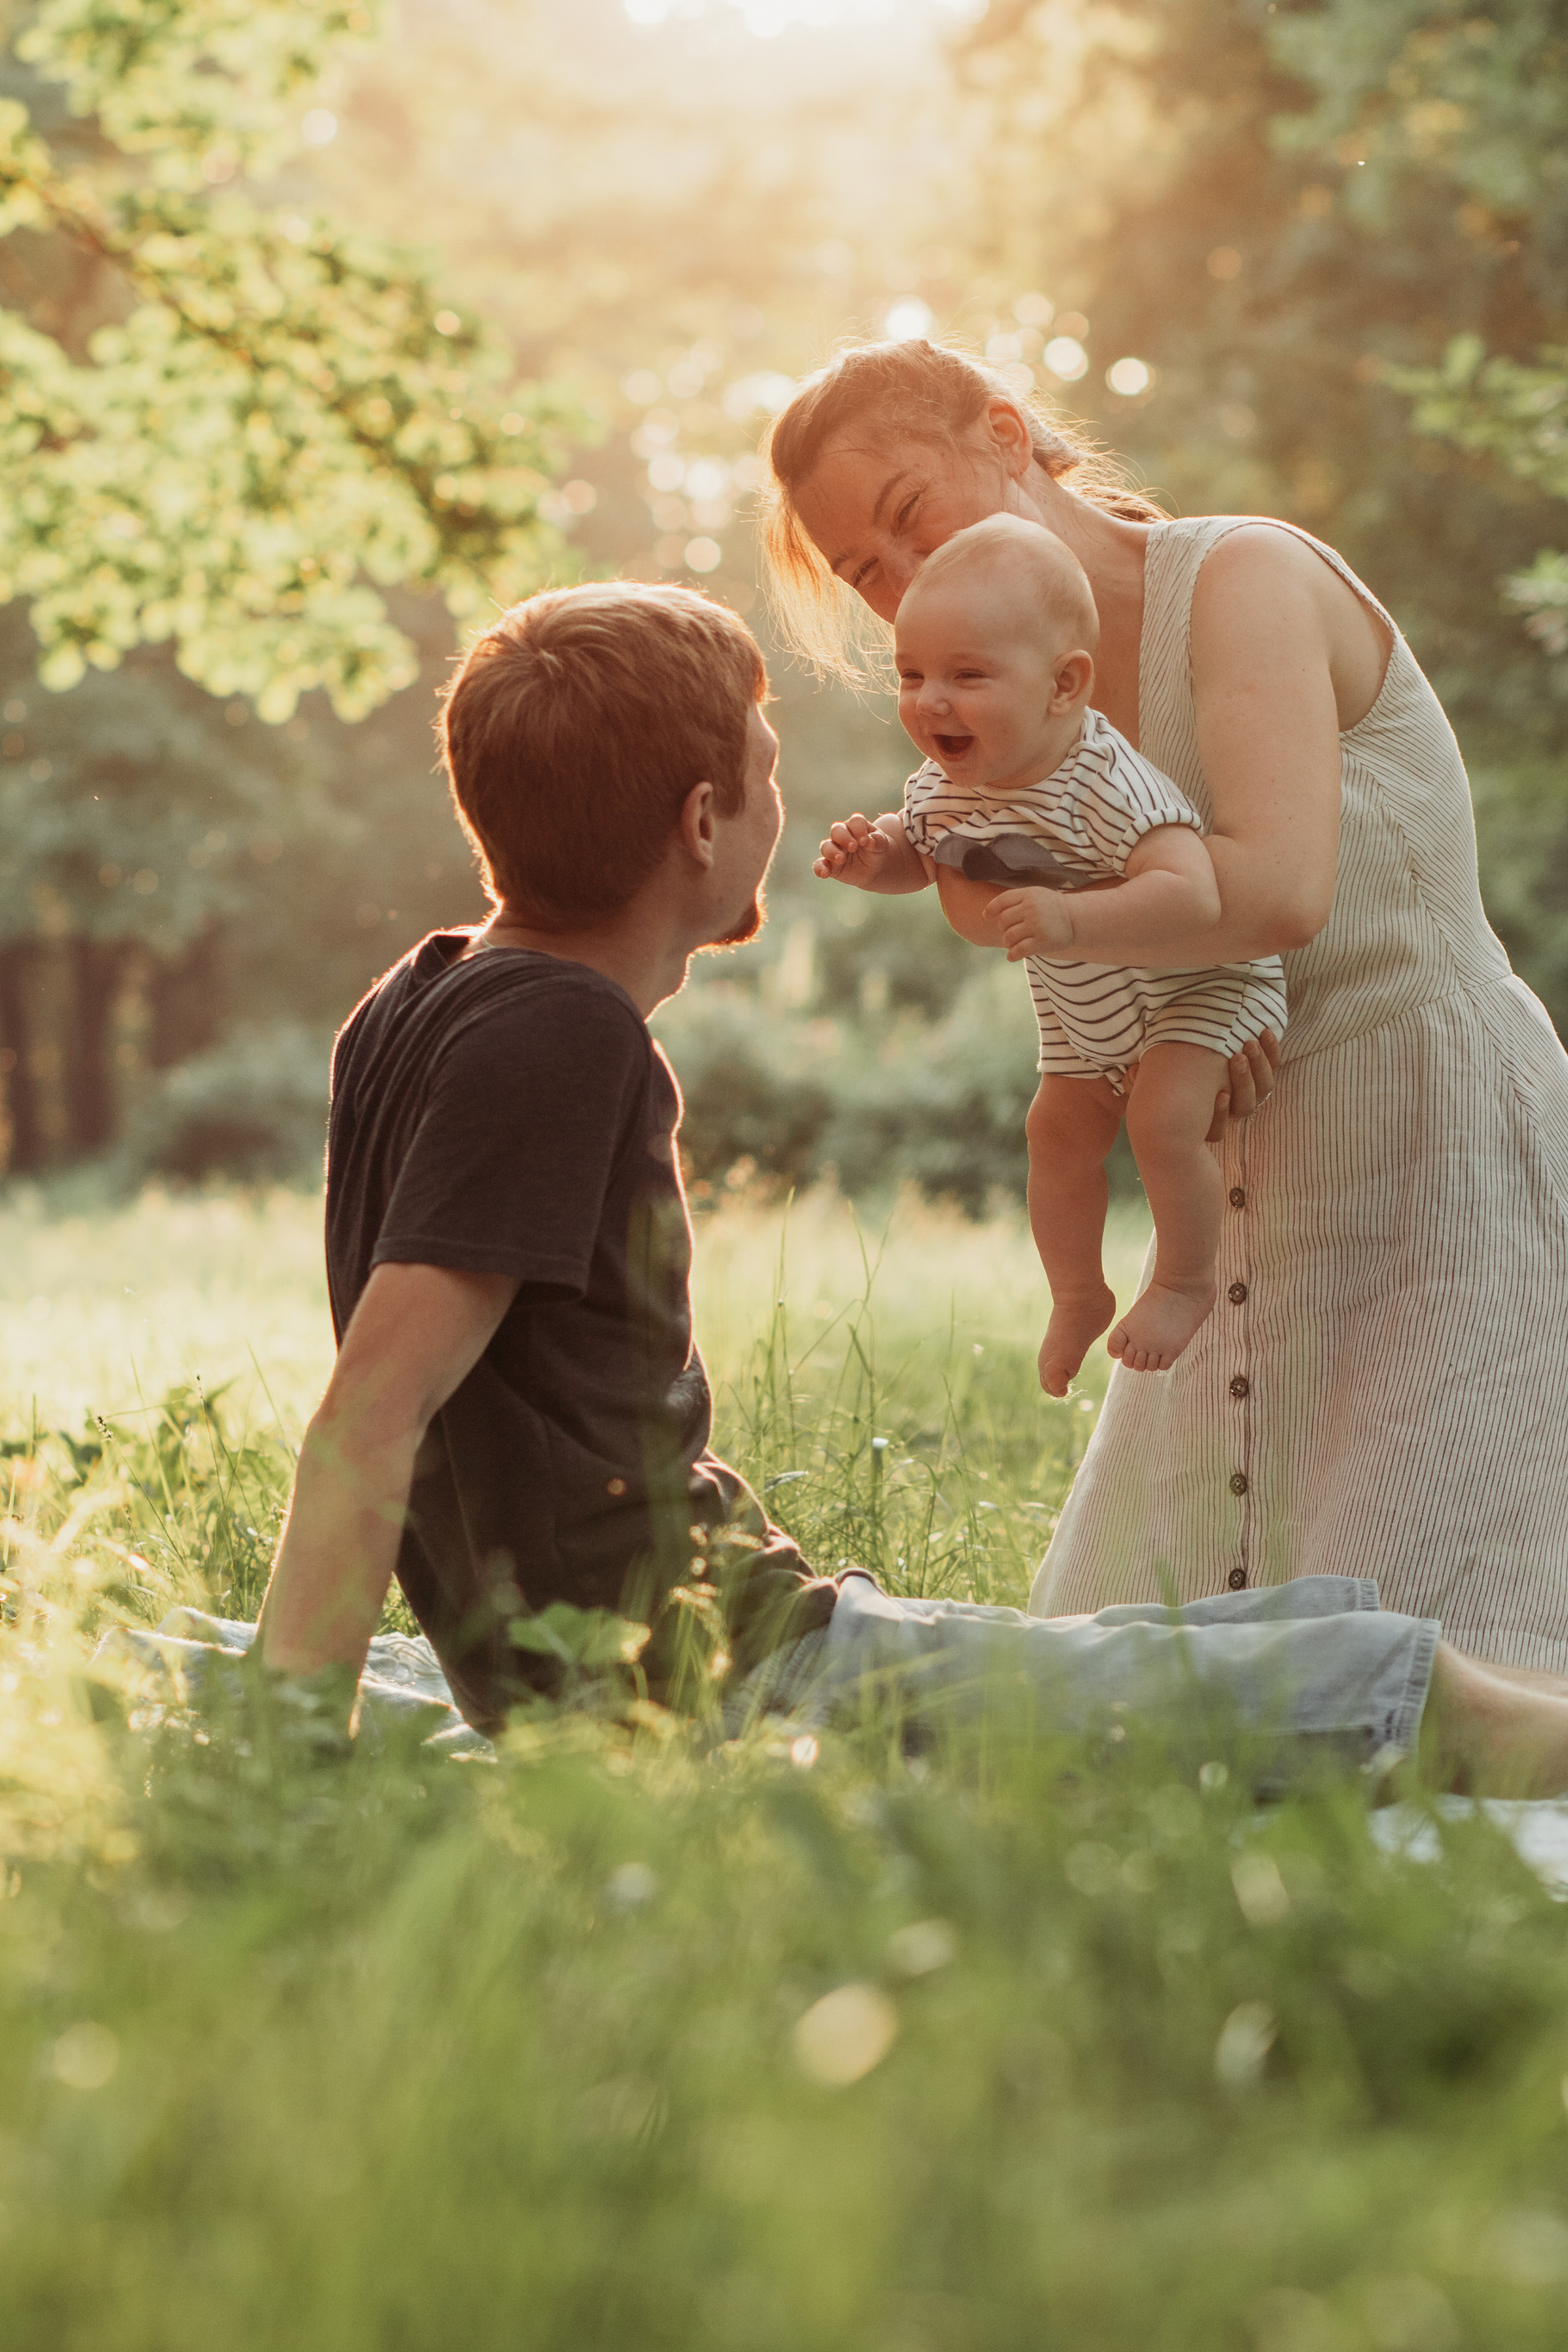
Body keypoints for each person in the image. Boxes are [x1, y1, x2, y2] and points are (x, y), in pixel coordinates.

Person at [253, 575, 1568, 1800]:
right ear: (702, 822)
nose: (778, 809)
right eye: (765, 777)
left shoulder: (416, 995)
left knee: (1298, 1632)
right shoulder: (559, 1035)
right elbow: (373, 1410)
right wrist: (290, 1780)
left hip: (732, 1639)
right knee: (1346, 1687)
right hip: (720, 1681)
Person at [762, 336, 1568, 1673]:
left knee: (1451, 1654)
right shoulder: (1010, 700)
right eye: (868, 576)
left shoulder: (1241, 576)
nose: (907, 585)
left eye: (908, 519)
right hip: (1244, 1179)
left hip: (1436, 1157)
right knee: (1158, 1692)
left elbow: (1277, 892)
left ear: (1006, 435)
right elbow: (1007, 917)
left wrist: (1070, 926)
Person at [812, 512, 1286, 1395]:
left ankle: (1182, 1282)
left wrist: (1073, 921)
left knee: (1159, 1119)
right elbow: (922, 855)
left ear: (1065, 686)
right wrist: (873, 858)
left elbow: (1194, 892)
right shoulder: (942, 788)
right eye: (911, 675)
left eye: (968, 675)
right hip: (1086, 1014)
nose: (930, 701)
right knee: (1054, 1133)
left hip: (1198, 989)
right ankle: (1077, 1292)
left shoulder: (1106, 779)